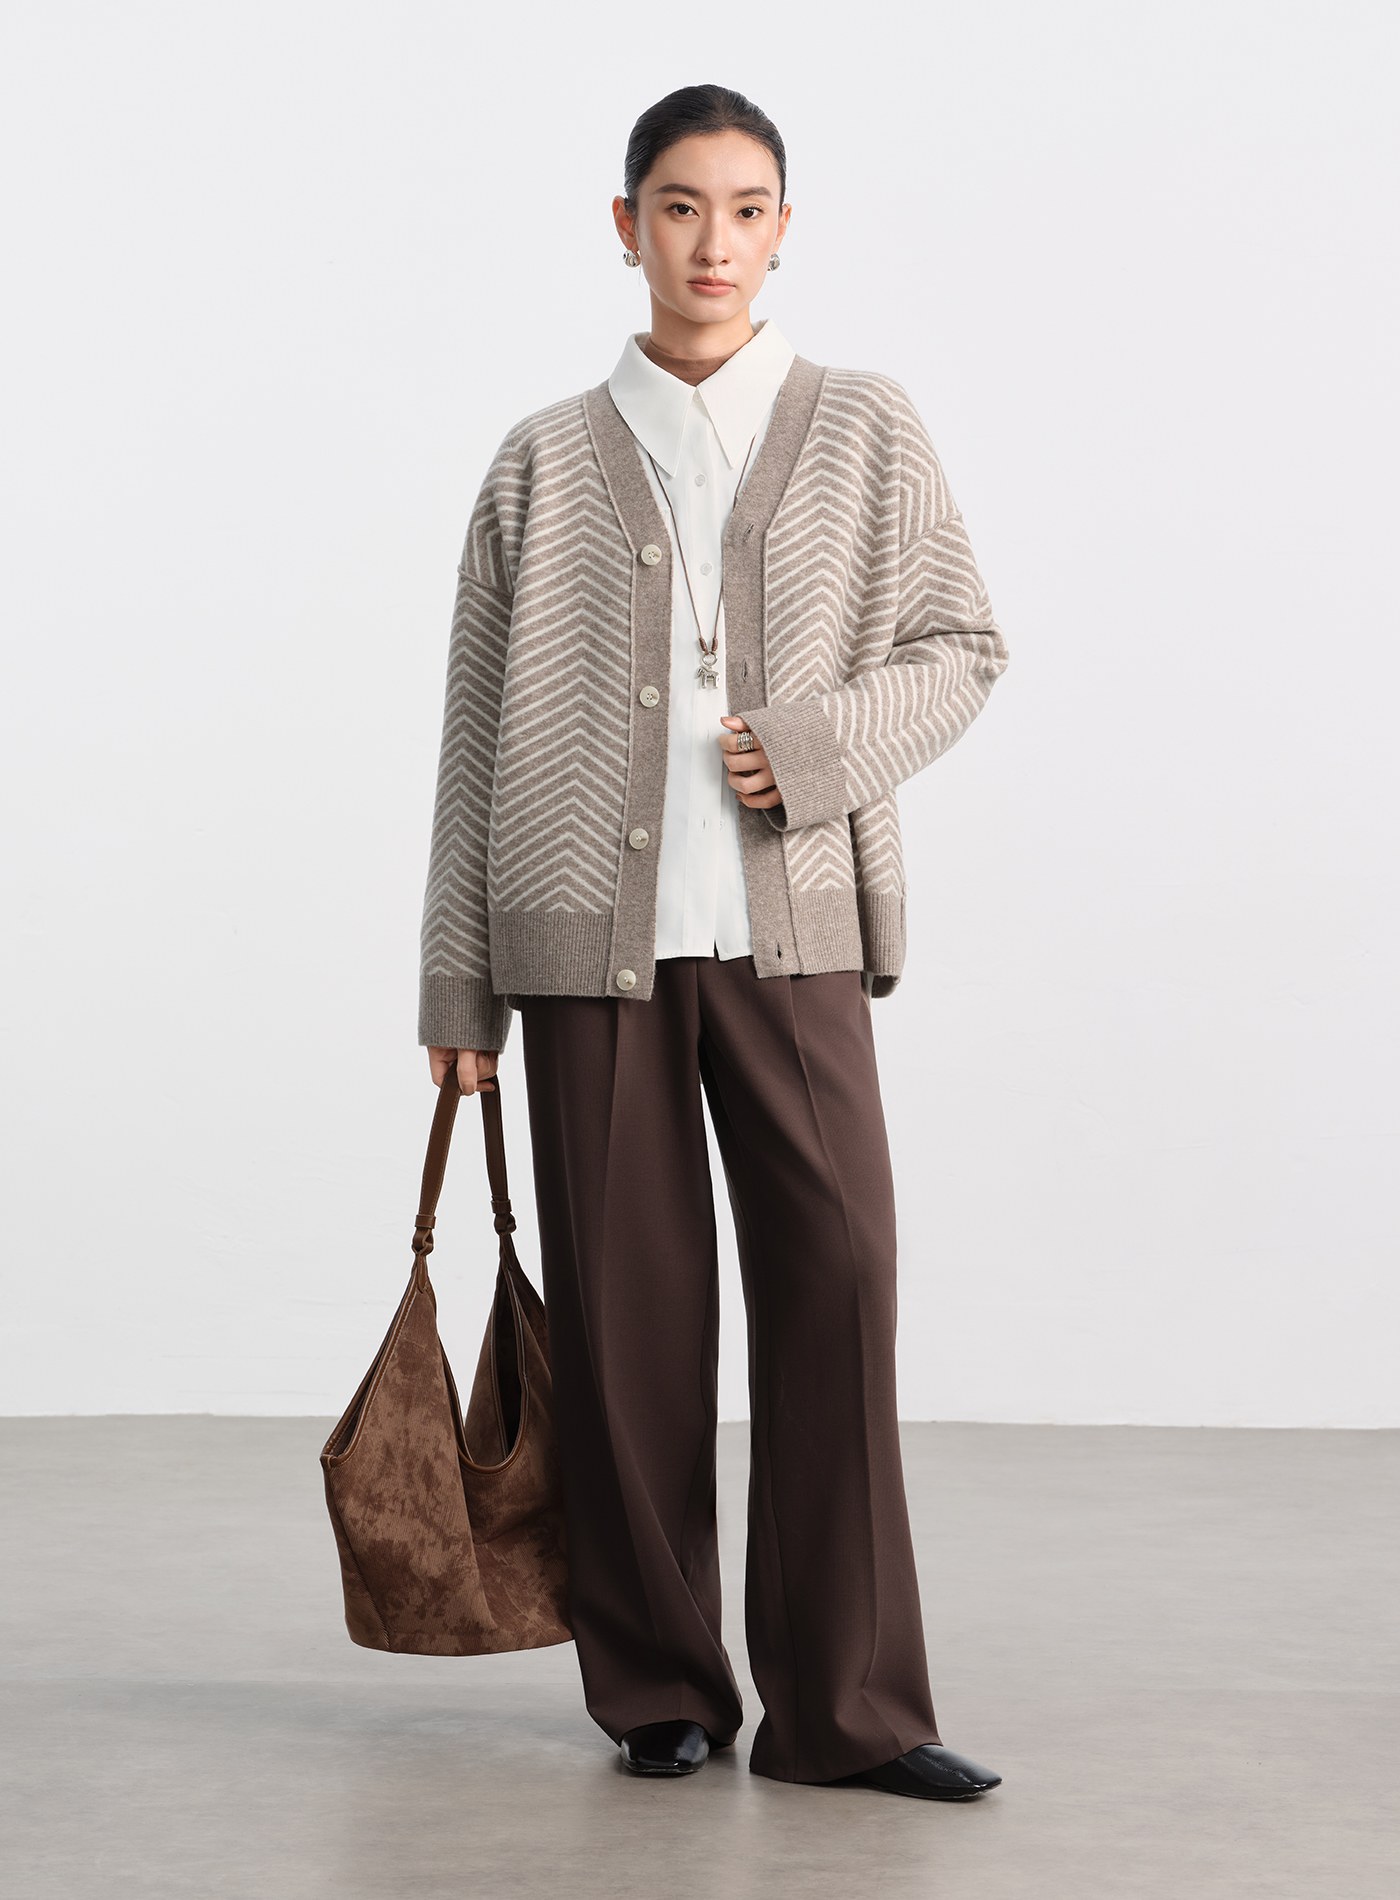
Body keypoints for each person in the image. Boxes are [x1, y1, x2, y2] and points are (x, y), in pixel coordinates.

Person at [419, 83, 1009, 1800]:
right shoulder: (539, 458)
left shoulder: (866, 428)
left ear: (784, 230)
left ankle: (850, 1709)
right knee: (629, 1329)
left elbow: (963, 646)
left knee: (839, 1282)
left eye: (748, 210)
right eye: (681, 207)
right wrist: (457, 986)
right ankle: (662, 1686)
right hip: (577, 955)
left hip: (792, 935)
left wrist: (812, 748)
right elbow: (472, 738)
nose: (714, 243)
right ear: (627, 226)